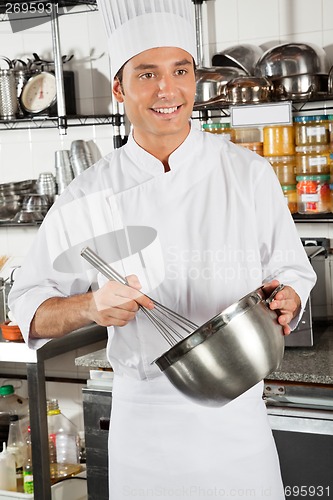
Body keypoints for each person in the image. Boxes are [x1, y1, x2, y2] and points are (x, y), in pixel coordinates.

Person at [9, 0, 316, 498]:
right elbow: (28, 309)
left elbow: (291, 269)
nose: (166, 90)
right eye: (146, 74)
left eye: (180, 71)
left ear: (194, 79)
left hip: (240, 422)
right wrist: (91, 306)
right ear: (119, 87)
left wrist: (290, 298)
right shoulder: (87, 194)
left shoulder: (248, 173)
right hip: (145, 423)